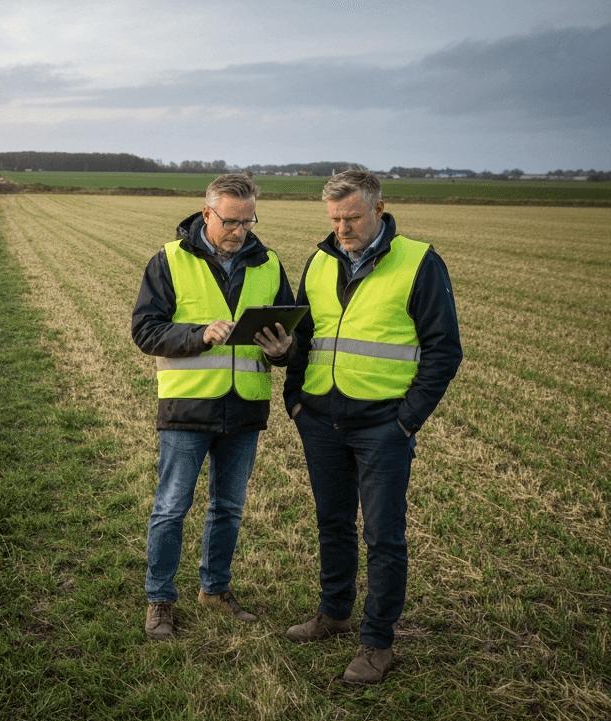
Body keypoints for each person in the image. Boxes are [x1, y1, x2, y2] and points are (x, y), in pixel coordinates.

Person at [283, 170, 462, 684]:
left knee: (383, 535)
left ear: (379, 208)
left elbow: (444, 351)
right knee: (332, 523)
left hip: (382, 426)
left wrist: (405, 421)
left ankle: (377, 642)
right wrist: (296, 399)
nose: (343, 228)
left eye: (352, 217)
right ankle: (334, 611)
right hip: (319, 420)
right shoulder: (318, 261)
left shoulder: (419, 262)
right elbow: (305, 336)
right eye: (335, 219)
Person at [131, 174, 296, 640]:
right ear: (207, 214)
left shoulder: (269, 264)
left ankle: (215, 589)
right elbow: (145, 331)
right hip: (187, 408)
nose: (239, 230)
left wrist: (283, 349)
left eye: (248, 221)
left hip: (244, 409)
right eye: (230, 221)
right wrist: (198, 335)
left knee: (228, 507)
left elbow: (288, 332)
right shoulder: (169, 260)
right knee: (171, 507)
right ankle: (160, 599)